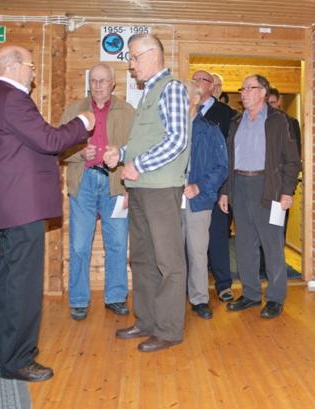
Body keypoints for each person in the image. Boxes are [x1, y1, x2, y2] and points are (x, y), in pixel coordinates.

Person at [0, 45, 94, 382]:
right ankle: (18, 360)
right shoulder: (11, 98)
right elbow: (49, 140)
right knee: (23, 287)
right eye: (30, 65)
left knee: (9, 282)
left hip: (13, 203)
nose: (33, 72)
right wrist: (82, 122)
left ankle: (5, 352)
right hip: (23, 203)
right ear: (14, 66)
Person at [107, 34, 190, 352]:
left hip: (161, 189)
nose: (130, 65)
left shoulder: (171, 88)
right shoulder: (148, 94)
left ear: (153, 54)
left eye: (134, 57)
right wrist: (121, 154)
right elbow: (145, 141)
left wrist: (137, 165)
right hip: (141, 188)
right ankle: (147, 321)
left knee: (169, 262)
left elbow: (177, 139)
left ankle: (169, 330)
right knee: (142, 259)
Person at [219, 75, 301, 319]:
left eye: (249, 88)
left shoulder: (279, 120)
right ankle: (251, 294)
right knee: (244, 244)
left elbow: (292, 160)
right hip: (239, 185)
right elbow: (228, 160)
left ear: (263, 92)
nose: (243, 92)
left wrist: (287, 191)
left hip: (268, 187)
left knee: (272, 245)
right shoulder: (236, 121)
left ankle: (275, 298)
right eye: (242, 88)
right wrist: (225, 191)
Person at [61, 63, 135, 321]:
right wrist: (80, 153)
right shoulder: (73, 111)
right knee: (79, 245)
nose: (98, 85)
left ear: (113, 83)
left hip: (116, 184)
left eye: (103, 81)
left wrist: (130, 187)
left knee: (117, 243)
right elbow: (58, 148)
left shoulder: (128, 112)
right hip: (83, 183)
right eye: (93, 81)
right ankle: (79, 300)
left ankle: (115, 297)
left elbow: (137, 151)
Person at [182, 80, 228, 320]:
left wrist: (199, 186)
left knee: (197, 252)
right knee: (170, 253)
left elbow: (221, 168)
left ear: (195, 99)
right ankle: (172, 299)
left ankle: (199, 299)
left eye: (183, 95)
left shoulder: (210, 130)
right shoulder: (168, 129)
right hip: (168, 200)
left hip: (198, 200)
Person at [191, 69, 235, 302]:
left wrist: (225, 190)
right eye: (194, 79)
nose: (197, 83)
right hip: (190, 189)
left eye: (202, 80)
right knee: (192, 242)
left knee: (218, 236)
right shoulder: (185, 112)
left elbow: (230, 155)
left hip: (216, 186)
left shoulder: (228, 114)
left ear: (212, 86)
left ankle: (223, 284)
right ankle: (192, 288)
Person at [267, 87, 302, 156]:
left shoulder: (292, 123)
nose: (269, 106)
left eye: (272, 103)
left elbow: (296, 151)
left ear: (278, 102)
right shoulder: (260, 123)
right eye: (267, 103)